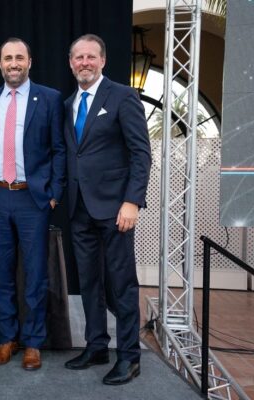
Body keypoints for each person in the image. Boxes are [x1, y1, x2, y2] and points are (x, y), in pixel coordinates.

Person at [63, 34, 151, 385]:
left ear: (102, 61)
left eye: (90, 57)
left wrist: (133, 201)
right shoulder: (69, 102)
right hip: (79, 208)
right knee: (89, 282)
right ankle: (96, 345)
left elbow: (141, 153)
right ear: (71, 63)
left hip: (116, 210)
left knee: (121, 285)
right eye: (78, 57)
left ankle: (129, 357)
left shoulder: (123, 96)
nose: (84, 62)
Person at [0, 38, 65, 371]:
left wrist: (54, 191)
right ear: (0, 64)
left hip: (33, 197)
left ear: (30, 61)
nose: (13, 63)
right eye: (7, 58)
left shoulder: (50, 98)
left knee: (35, 274)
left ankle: (33, 343)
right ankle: (7, 339)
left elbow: (59, 148)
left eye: (19, 58)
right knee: (1, 272)